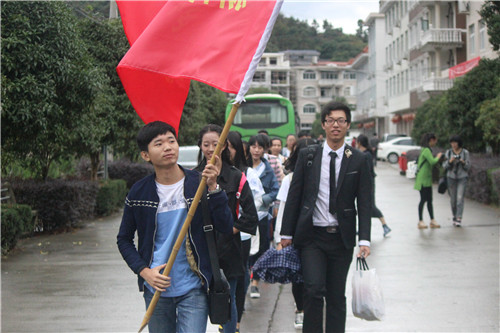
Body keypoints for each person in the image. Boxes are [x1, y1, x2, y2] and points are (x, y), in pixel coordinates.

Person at [117, 121, 234, 333]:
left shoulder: (198, 184)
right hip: (156, 290)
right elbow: (123, 239)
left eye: (172, 141)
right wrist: (144, 272)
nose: (168, 147)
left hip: (194, 287)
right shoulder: (139, 193)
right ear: (146, 155)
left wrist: (214, 188)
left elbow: (225, 227)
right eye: (159, 143)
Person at [280, 101, 372, 333]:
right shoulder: (309, 156)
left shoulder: (359, 159)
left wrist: (365, 240)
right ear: (323, 125)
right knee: (312, 290)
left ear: (348, 125)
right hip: (312, 237)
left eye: (341, 120)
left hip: (341, 238)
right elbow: (295, 195)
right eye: (330, 120)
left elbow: (365, 201)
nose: (335, 125)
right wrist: (286, 233)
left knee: (335, 295)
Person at [194, 125, 259, 333]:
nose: (211, 148)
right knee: (197, 302)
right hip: (200, 251)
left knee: (227, 300)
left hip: (228, 250)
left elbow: (250, 217)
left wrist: (230, 230)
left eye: (216, 144)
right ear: (200, 146)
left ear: (224, 146)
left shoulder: (236, 177)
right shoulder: (193, 177)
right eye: (206, 144)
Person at [274, 137, 316, 329]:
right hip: (296, 237)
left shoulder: (324, 176)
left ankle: (313, 310)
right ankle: (300, 310)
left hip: (318, 236)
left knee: (315, 278)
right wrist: (281, 237)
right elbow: (283, 209)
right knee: (298, 276)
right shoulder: (290, 180)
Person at [226, 131, 265, 333]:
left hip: (240, 236)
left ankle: (236, 322)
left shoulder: (247, 174)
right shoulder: (209, 172)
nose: (227, 151)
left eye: (231, 147)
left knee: (238, 279)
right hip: (218, 238)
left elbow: (256, 205)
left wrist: (237, 225)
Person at [247, 134, 280, 299]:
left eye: (260, 147)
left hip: (261, 215)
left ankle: (255, 282)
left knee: (260, 249)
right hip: (244, 216)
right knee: (246, 248)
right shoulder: (243, 167)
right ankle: (248, 278)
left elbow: (275, 190)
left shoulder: (267, 169)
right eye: (253, 146)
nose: (256, 150)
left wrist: (263, 200)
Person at [357, 134, 392, 237]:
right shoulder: (365, 154)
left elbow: (367, 172)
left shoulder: (366, 155)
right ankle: (363, 229)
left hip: (368, 185)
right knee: (364, 208)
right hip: (365, 184)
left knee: (371, 206)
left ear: (359, 142)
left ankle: (385, 225)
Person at [414, 133, 443, 229]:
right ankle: (420, 221)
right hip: (423, 180)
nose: (435, 142)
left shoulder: (425, 149)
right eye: (435, 140)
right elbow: (432, 161)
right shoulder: (426, 150)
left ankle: (432, 220)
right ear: (431, 140)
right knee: (423, 200)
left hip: (427, 179)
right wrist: (438, 156)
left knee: (429, 200)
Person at [442, 135, 471, 227]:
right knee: (453, 200)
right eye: (452, 143)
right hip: (451, 178)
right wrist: (450, 161)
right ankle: (454, 216)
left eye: (455, 142)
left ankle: (459, 217)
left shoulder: (465, 152)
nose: (453, 145)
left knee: (459, 198)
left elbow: (468, 167)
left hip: (462, 177)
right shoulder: (449, 152)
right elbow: (444, 166)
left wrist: (463, 162)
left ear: (459, 143)